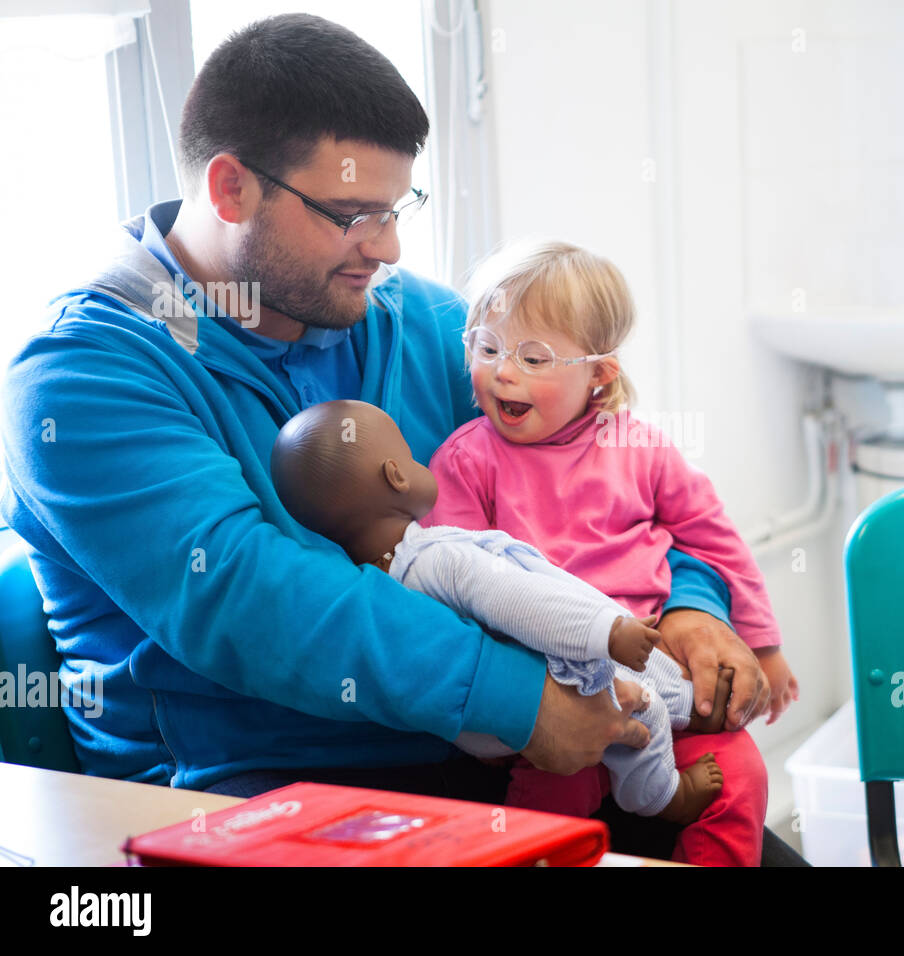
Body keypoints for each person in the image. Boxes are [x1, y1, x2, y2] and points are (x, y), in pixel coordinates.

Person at [0, 13, 804, 864]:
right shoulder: (84, 377)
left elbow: (593, 483)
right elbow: (252, 596)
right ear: (231, 188)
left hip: (508, 755)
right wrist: (518, 697)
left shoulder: (420, 321)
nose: (385, 247)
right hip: (256, 795)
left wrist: (688, 605)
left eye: (395, 209)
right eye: (352, 214)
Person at [425, 238, 798, 865]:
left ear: (600, 373)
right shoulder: (468, 461)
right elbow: (453, 582)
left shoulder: (641, 449)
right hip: (561, 691)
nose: (503, 372)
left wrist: (763, 644)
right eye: (486, 349)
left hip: (663, 684)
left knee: (741, 780)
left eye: (533, 357)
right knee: (551, 809)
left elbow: (713, 537)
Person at [269, 398, 730, 825]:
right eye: (411, 456)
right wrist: (606, 631)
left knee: (551, 781)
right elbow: (521, 603)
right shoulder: (439, 559)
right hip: (551, 680)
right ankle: (662, 794)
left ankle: (530, 835)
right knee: (642, 706)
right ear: (397, 476)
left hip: (489, 726)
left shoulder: (373, 586)